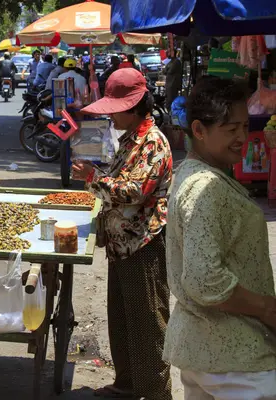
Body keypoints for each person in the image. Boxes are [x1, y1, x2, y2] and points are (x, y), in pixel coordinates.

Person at [164, 76, 276, 399]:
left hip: (206, 352)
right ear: (199, 130)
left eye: (244, 126)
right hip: (235, 359)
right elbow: (204, 280)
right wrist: (267, 309)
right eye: (231, 130)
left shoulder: (194, 173)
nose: (242, 137)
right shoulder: (205, 188)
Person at [71, 68, 173, 400]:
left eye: (116, 108)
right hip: (122, 244)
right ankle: (128, 383)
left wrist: (92, 179)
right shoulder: (130, 139)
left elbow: (133, 191)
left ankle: (157, 392)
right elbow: (119, 184)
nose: (112, 115)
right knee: (123, 318)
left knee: (148, 324)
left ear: (135, 107)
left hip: (143, 244)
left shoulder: (153, 142)